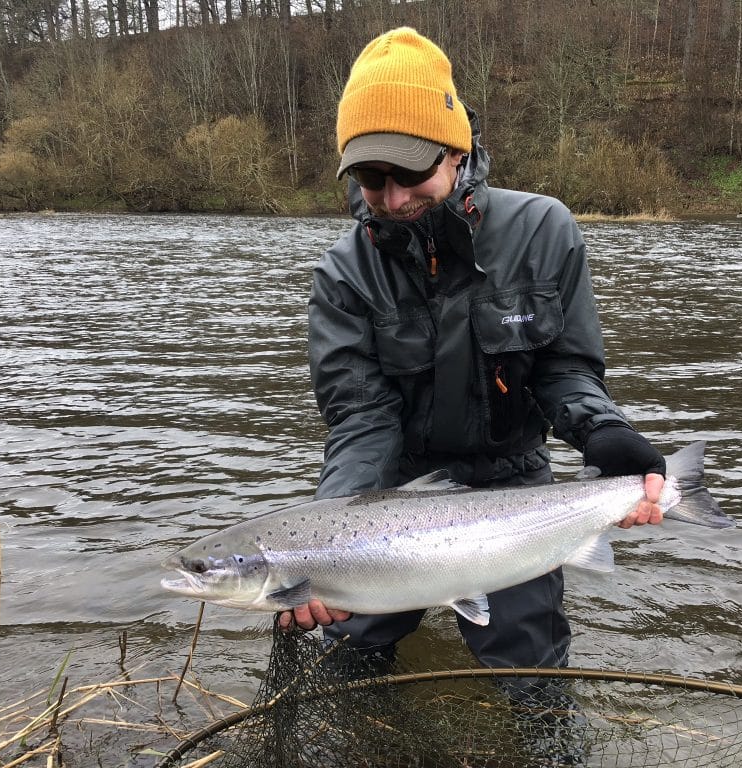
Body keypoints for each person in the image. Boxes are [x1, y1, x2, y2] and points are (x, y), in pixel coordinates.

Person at [279, 26, 666, 676]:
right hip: (390, 497)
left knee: (529, 676)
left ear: (457, 152)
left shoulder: (544, 230)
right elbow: (360, 419)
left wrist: (604, 434)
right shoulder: (342, 275)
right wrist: (328, 539)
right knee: (344, 659)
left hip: (513, 490)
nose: (394, 198)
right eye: (372, 178)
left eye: (409, 171)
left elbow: (565, 370)